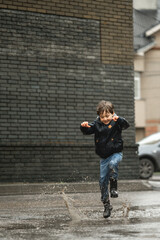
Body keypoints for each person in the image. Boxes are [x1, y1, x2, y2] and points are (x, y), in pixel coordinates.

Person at [80, 100, 130, 218]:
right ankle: (107, 205)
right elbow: (88, 130)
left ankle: (113, 188)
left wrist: (120, 119)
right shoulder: (97, 124)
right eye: (102, 117)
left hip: (116, 153)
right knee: (102, 181)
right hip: (103, 157)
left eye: (107, 116)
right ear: (99, 116)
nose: (105, 119)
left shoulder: (117, 121)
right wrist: (83, 126)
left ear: (112, 114)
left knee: (113, 164)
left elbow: (126, 125)